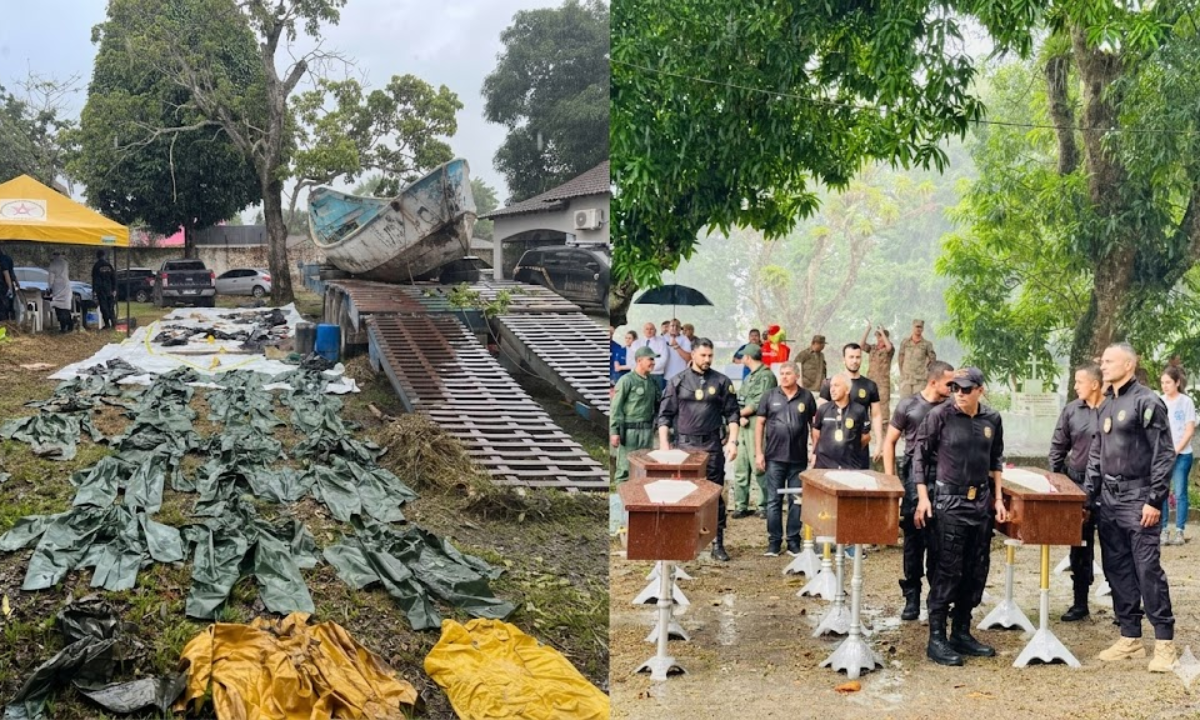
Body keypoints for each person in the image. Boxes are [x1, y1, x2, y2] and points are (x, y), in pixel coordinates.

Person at [1087, 343, 1177, 672]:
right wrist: (1090, 494)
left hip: (1139, 499)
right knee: (1117, 569)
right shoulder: (1108, 403)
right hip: (1109, 500)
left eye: (1110, 361)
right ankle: (1130, 637)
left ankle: (1165, 643)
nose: (1104, 365)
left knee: (1147, 569)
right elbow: (1097, 452)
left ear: (1129, 364)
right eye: (1103, 361)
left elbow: (1163, 454)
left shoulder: (1147, 401)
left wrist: (1155, 500)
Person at [912, 367, 1008, 666]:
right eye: (955, 388)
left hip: (980, 501)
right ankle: (937, 638)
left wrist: (999, 499)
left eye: (966, 389)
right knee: (946, 568)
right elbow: (919, 455)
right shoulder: (940, 416)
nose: (959, 394)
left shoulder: (992, 419)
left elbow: (996, 461)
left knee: (976, 568)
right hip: (948, 501)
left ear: (981, 389)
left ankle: (961, 631)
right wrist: (923, 498)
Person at [883, 360, 954, 622]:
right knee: (914, 540)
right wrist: (892, 482)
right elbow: (890, 442)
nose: (954, 388)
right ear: (933, 381)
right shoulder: (908, 405)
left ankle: (936, 599)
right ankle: (911, 596)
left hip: (943, 476)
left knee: (940, 539)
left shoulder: (951, 408)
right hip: (913, 475)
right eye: (950, 383)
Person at [657, 338, 740, 561]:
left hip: (712, 445)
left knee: (714, 494)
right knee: (684, 493)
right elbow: (664, 416)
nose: (707, 360)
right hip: (685, 445)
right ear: (692, 354)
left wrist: (733, 441)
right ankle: (684, 539)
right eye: (703, 355)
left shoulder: (721, 381)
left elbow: (733, 413)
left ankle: (717, 542)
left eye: (710, 356)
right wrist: (665, 447)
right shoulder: (677, 381)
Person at [1048, 364, 1104, 622]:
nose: (1075, 386)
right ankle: (1080, 602)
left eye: (1079, 381)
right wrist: (1059, 483)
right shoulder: (1072, 410)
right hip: (1078, 485)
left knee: (1116, 547)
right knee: (1079, 546)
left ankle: (1126, 609)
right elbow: (1058, 449)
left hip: (1109, 487)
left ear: (1094, 384)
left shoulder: (1112, 409)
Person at [755, 361, 817, 556]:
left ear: (797, 376)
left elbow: (814, 426)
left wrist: (814, 451)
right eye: (781, 373)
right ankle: (774, 543)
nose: (784, 377)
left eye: (788, 373)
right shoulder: (770, 396)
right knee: (773, 501)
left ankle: (793, 541)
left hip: (798, 459)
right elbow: (760, 425)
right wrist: (759, 452)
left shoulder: (806, 397)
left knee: (796, 500)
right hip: (774, 457)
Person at [731, 343, 777, 519]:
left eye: (743, 356)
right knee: (741, 466)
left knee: (759, 465)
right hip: (744, 423)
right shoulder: (749, 377)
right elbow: (742, 399)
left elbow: (760, 401)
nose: (742, 359)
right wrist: (740, 415)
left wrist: (740, 414)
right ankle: (741, 504)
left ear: (748, 357)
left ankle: (763, 505)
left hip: (757, 423)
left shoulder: (766, 376)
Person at [819, 343, 882, 468]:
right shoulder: (831, 383)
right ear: (844, 359)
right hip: (833, 450)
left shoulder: (870, 385)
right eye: (851, 357)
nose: (855, 361)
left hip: (859, 447)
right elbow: (819, 416)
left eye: (858, 357)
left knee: (858, 484)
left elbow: (876, 415)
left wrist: (879, 442)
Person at [611, 346, 663, 484]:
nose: (653, 362)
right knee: (625, 469)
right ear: (639, 360)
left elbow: (659, 405)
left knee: (644, 468)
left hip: (647, 431)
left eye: (654, 360)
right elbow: (616, 407)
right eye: (650, 359)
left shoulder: (653, 382)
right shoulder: (626, 380)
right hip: (629, 432)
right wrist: (614, 431)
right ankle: (622, 503)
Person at [1158, 366, 1195, 545]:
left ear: (1177, 383)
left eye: (1168, 382)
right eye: (1162, 383)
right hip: (1163, 455)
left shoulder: (1186, 402)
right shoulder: (1159, 401)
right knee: (1162, 492)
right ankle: (1163, 529)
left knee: (1180, 492)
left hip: (1182, 454)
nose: (1165, 386)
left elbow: (1189, 430)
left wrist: (1176, 450)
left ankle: (1179, 530)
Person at [812, 373, 871, 470]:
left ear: (847, 390)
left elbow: (865, 437)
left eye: (836, 386)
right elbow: (816, 433)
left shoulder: (859, 410)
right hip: (824, 465)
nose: (832, 389)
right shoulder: (823, 409)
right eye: (831, 386)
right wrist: (815, 453)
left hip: (850, 465)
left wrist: (849, 447)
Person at [862, 322, 895, 420]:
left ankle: (884, 430)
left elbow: (888, 347)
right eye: (877, 336)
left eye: (881, 336)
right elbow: (861, 345)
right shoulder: (873, 348)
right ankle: (869, 428)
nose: (879, 338)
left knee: (883, 407)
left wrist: (882, 332)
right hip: (870, 382)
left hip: (883, 383)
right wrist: (868, 329)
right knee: (868, 404)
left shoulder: (889, 349)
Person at [898, 319, 937, 398]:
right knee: (904, 403)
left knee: (918, 403)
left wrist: (927, 371)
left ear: (923, 329)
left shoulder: (927, 344)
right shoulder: (905, 342)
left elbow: (933, 360)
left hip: (920, 380)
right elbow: (900, 357)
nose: (919, 329)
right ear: (913, 327)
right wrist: (901, 372)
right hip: (906, 379)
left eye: (921, 327)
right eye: (917, 327)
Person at [633, 322, 669, 391]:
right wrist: (642, 369)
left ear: (655, 331)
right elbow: (632, 359)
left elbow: (663, 359)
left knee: (657, 398)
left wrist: (649, 368)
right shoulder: (637, 343)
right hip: (640, 375)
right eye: (647, 329)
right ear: (643, 331)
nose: (649, 331)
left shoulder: (661, 342)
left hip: (656, 375)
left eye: (651, 329)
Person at [47, 250, 74, 333]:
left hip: (57, 288)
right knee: (66, 308)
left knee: (59, 308)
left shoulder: (53, 265)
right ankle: (70, 325)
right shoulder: (65, 263)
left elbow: (51, 279)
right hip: (66, 286)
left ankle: (63, 327)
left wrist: (49, 288)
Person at [92, 249, 117, 330]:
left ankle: (107, 324)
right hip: (109, 289)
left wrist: (94, 290)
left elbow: (95, 279)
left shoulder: (96, 266)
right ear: (104, 256)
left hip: (101, 289)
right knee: (111, 306)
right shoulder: (109, 265)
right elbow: (113, 278)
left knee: (104, 307)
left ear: (97, 256)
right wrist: (114, 289)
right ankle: (113, 323)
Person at [0, 243, 16, 322]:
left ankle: (4, 329)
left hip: (3, 288)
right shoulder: (7, 258)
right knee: (8, 309)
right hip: (5, 288)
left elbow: (6, 273)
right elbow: (11, 273)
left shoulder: (3, 260)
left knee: (3, 310)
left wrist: (10, 288)